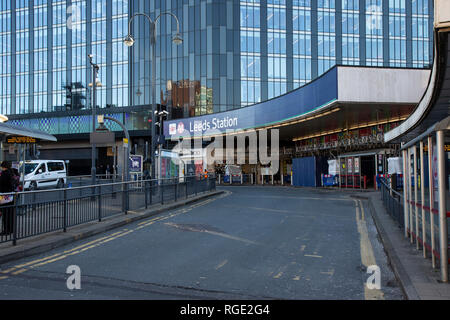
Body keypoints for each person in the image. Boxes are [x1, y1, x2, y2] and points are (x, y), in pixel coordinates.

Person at [0, 161, 15, 236]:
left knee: (5, 214)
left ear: (3, 166)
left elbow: (1, 183)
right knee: (10, 213)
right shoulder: (11, 172)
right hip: (10, 196)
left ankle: (6, 230)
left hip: (5, 196)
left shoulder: (4, 173)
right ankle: (11, 229)